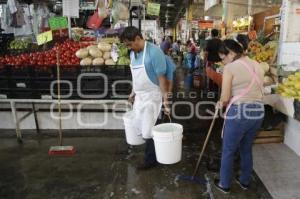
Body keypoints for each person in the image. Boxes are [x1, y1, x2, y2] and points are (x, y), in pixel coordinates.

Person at [214, 39, 265, 193]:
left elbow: (225, 97)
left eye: (223, 58)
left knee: (229, 150)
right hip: (259, 112)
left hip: (239, 113)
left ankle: (224, 184)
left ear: (231, 53)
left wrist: (219, 103)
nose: (223, 62)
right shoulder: (257, 65)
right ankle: (245, 181)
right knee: (246, 148)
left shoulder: (230, 68)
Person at [120, 26, 170, 170]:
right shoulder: (133, 54)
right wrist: (132, 93)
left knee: (150, 130)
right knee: (139, 125)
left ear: (137, 38)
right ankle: (152, 157)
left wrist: (166, 102)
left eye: (130, 44)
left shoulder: (154, 52)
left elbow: (162, 79)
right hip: (140, 97)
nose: (129, 48)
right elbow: (136, 77)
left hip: (153, 96)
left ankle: (151, 160)